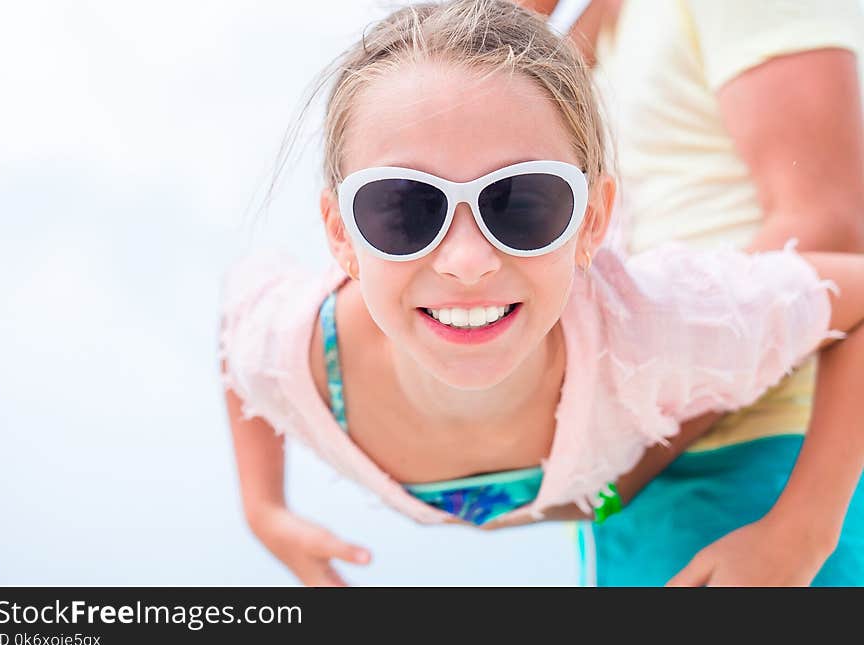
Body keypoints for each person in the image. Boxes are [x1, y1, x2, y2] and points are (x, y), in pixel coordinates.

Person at [220, 0, 864, 586]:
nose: (466, 261)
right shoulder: (294, 345)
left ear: (591, 220)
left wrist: (799, 528)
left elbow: (833, 229)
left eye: (523, 202)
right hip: (621, 487)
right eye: (403, 208)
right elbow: (240, 334)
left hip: (750, 430)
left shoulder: (654, 334)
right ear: (340, 234)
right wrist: (263, 505)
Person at [519, 0, 864, 585]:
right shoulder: (607, 22)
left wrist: (800, 531)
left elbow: (833, 228)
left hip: (763, 462)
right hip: (654, 468)